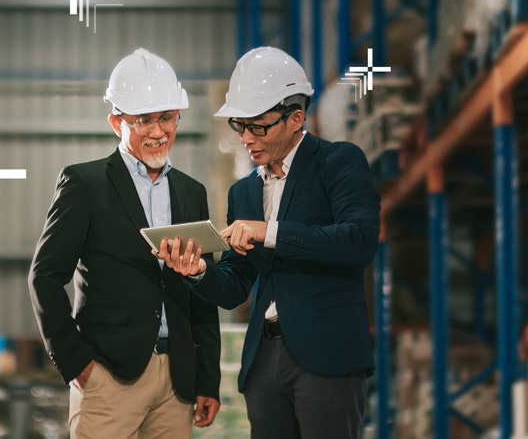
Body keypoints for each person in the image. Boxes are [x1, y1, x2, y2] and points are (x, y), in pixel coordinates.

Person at [157, 46, 381, 439]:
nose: (246, 138)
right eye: (239, 126)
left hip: (326, 356)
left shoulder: (338, 162)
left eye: (258, 127)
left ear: (296, 119)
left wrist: (270, 231)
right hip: (265, 362)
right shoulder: (243, 192)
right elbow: (236, 285)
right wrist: (199, 272)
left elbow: (359, 241)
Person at [29, 49, 222, 438]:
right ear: (116, 122)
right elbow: (44, 277)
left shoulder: (192, 192)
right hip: (108, 377)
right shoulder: (84, 185)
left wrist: (208, 378)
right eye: (144, 120)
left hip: (177, 383)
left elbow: (202, 296)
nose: (158, 131)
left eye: (167, 117)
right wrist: (76, 364)